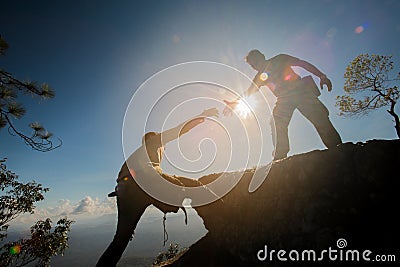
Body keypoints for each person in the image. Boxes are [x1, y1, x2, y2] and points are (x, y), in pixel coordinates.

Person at [96, 108, 218, 267]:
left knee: (120, 240)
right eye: (164, 145)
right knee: (192, 184)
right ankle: (222, 217)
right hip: (146, 182)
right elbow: (179, 129)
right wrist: (203, 114)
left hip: (124, 192)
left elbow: (124, 177)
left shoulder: (137, 154)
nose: (164, 148)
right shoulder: (155, 142)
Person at [224, 50, 342, 160]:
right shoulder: (259, 76)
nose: (254, 66)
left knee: (319, 118)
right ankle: (280, 155)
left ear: (262, 57)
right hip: (284, 99)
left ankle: (337, 147)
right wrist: (235, 103)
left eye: (254, 62)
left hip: (301, 92)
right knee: (276, 123)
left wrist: (321, 76)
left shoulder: (279, 59)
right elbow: (250, 91)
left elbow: (302, 64)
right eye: (251, 65)